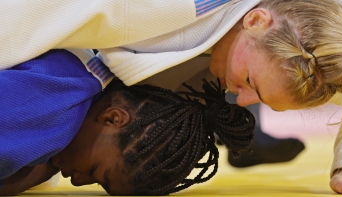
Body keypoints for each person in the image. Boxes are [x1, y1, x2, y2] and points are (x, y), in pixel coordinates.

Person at [1, 0, 342, 194]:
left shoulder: (320, 55)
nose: (242, 100)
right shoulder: (166, 5)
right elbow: (28, 16)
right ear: (256, 20)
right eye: (250, 82)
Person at [0, 49, 255, 196]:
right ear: (113, 118)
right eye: (95, 172)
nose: (77, 181)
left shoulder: (85, 83)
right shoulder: (55, 112)